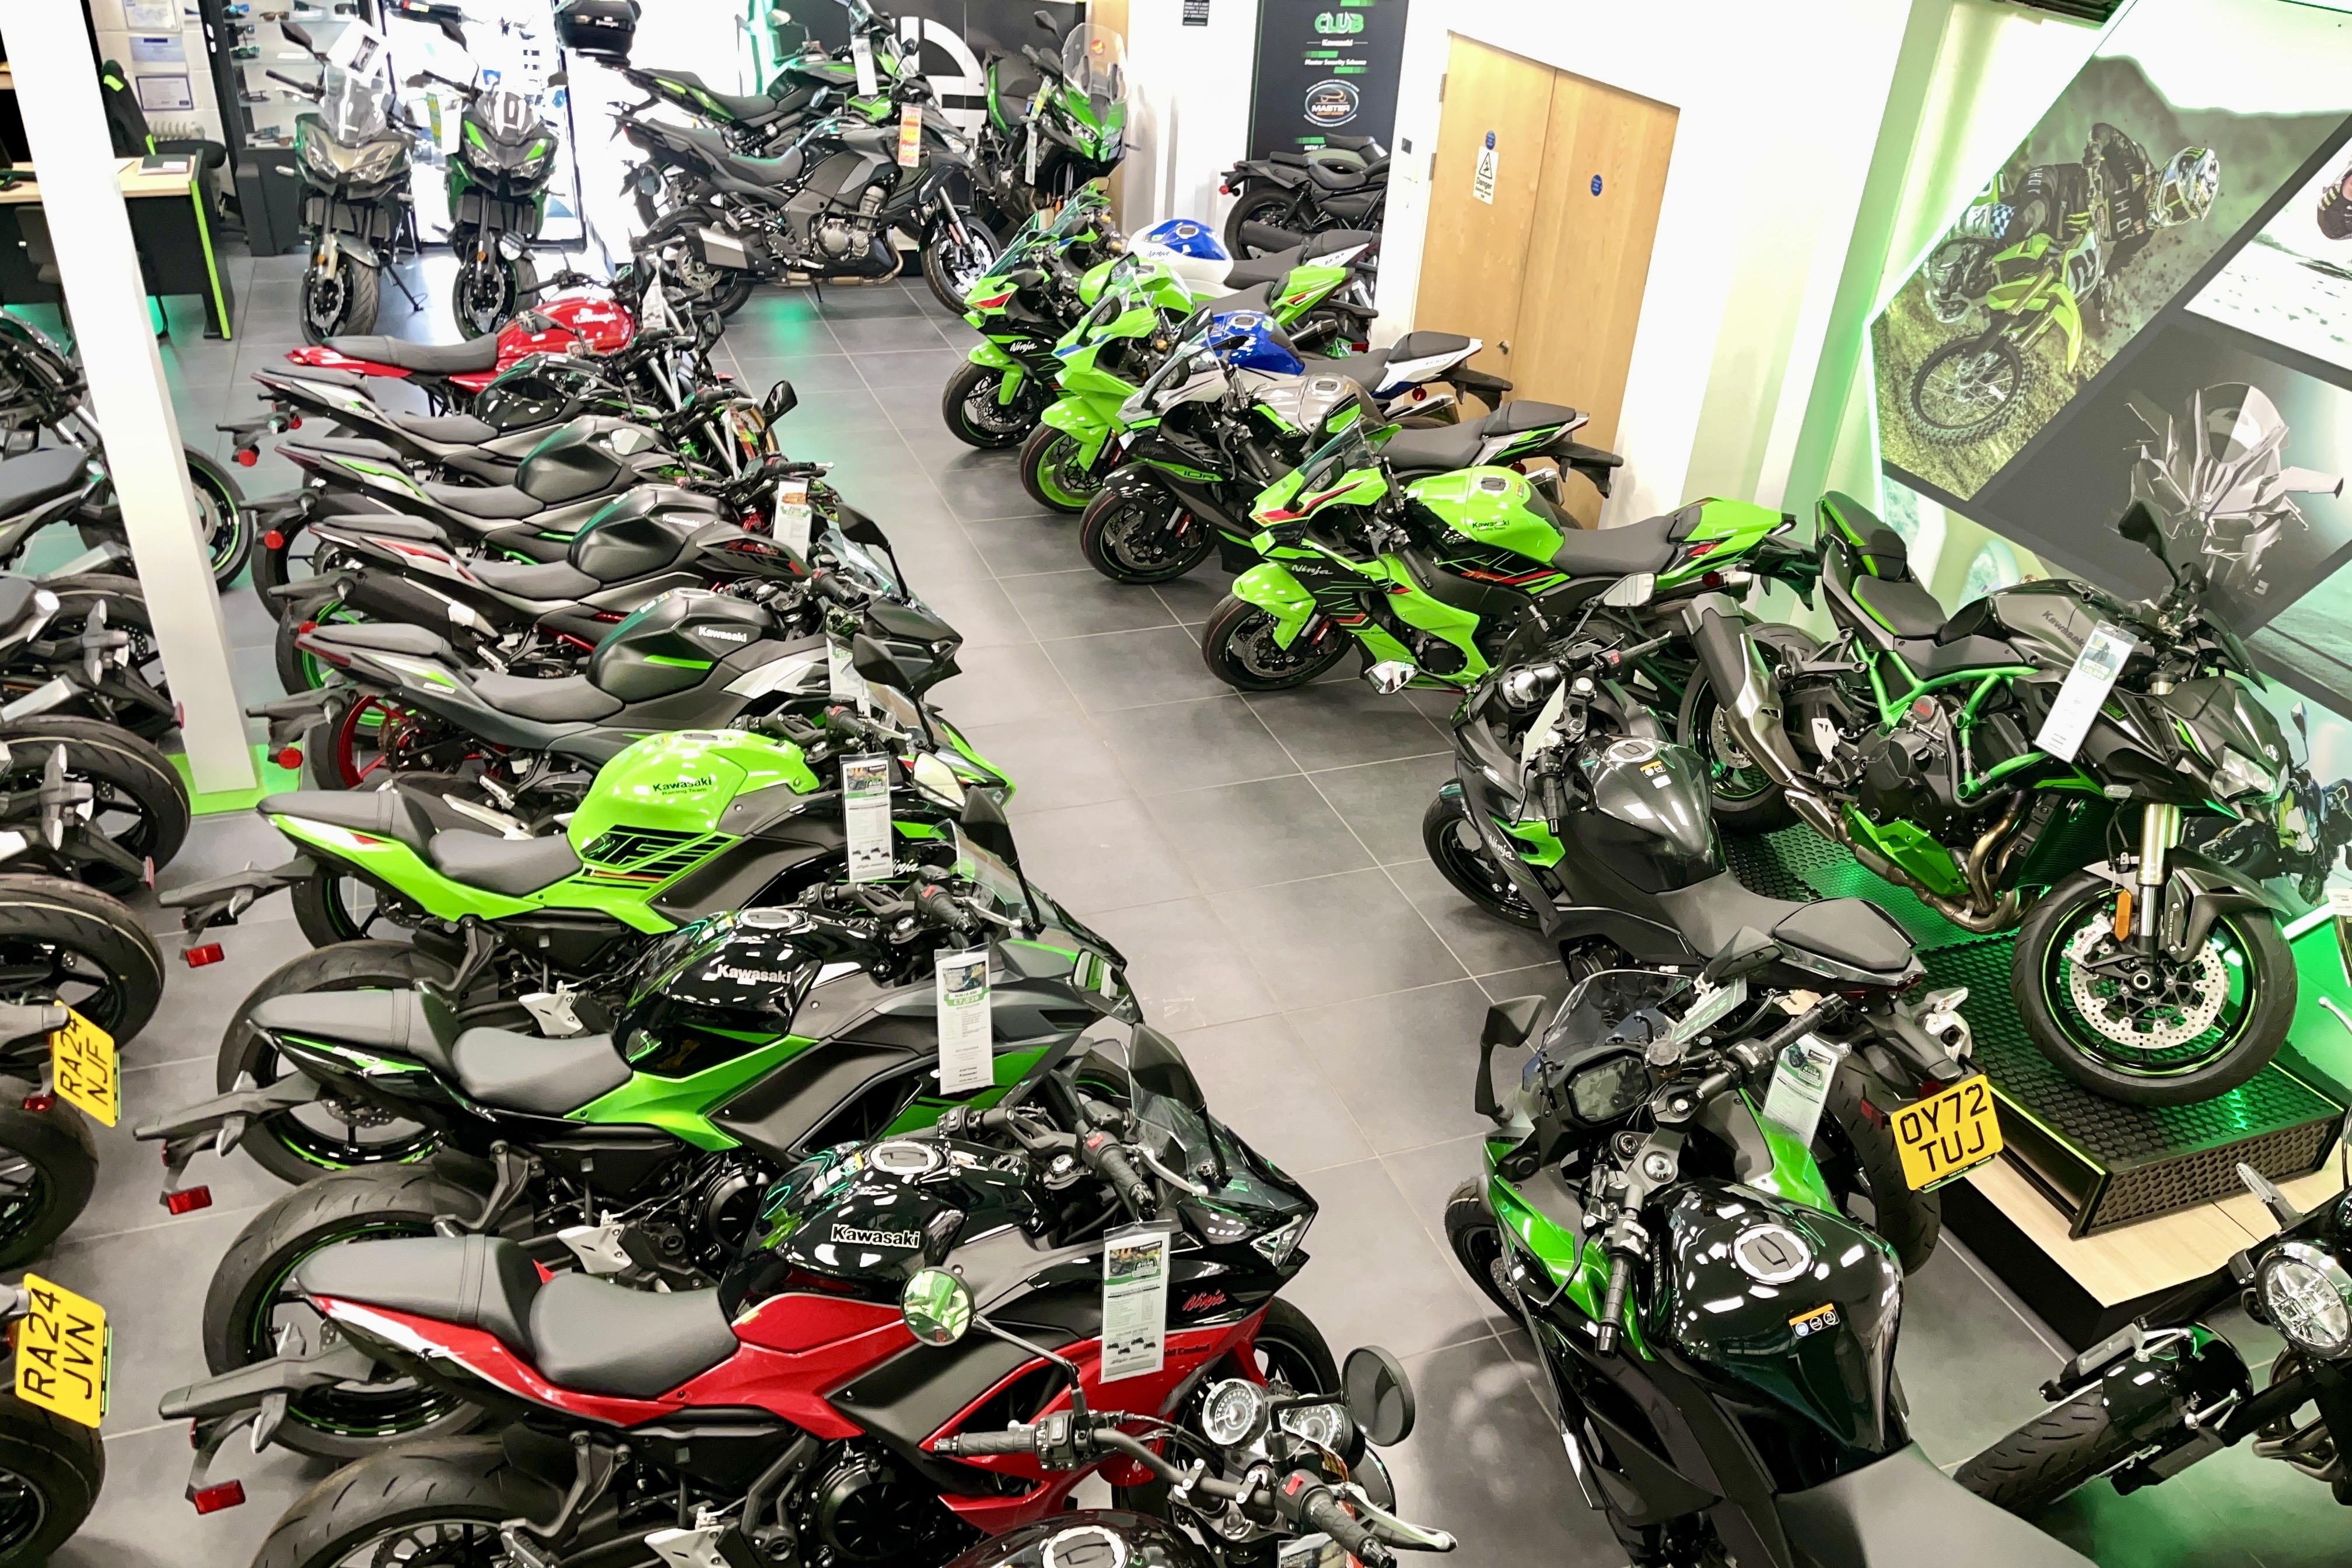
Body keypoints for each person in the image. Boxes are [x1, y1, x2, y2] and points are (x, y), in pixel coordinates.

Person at [1928, 125, 2218, 322]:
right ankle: (1959, 219)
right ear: (2169, 174)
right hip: (2052, 186)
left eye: (2180, 213)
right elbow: (2106, 132)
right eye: (2174, 199)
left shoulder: (2143, 232)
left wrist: (2107, 283)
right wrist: (2095, 147)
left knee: (2045, 281)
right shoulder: (2136, 164)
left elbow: (2121, 261)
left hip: (2059, 236)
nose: (2170, 212)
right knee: (2026, 219)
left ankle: (1978, 295)